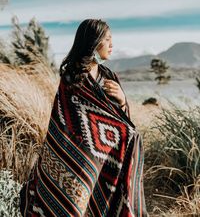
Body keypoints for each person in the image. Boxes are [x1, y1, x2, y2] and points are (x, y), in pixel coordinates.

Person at [20, 19, 148, 217]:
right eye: (107, 39)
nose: (112, 44)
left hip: (104, 161)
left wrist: (122, 101)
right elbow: (66, 122)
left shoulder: (109, 77)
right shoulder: (72, 77)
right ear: (93, 42)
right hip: (73, 157)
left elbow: (120, 120)